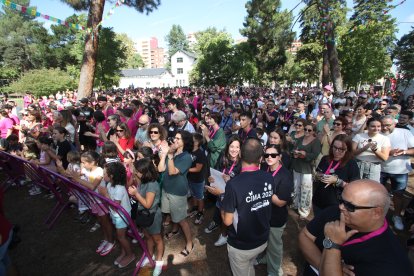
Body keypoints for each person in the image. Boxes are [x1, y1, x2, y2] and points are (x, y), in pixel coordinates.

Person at [300, 179, 413, 276]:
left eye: (350, 206)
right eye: (341, 200)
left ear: (376, 212)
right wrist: (325, 265)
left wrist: (332, 244)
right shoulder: (335, 212)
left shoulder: (390, 262)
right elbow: (304, 236)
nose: (341, 207)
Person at [221, 137, 273, 276]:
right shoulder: (269, 178)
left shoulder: (233, 185)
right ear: (261, 158)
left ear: (240, 155)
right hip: (262, 239)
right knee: (249, 267)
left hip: (241, 245)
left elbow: (227, 221)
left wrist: (222, 198)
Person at [258, 144, 293, 276]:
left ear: (280, 157)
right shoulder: (264, 168)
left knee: (274, 246)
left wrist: (266, 191)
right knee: (267, 241)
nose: (269, 157)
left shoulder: (285, 175)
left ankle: (274, 271)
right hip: (264, 214)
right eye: (267, 155)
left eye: (273, 155)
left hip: (276, 218)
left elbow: (280, 202)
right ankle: (267, 259)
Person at [158, 130, 194, 256]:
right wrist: (164, 154)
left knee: (181, 219)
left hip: (177, 192)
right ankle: (175, 230)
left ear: (185, 142)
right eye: (175, 138)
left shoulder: (187, 157)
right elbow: (161, 169)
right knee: (173, 215)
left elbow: (172, 172)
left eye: (179, 139)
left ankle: (190, 243)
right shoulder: (171, 152)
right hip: (167, 189)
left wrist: (170, 156)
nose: (175, 140)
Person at [128, 158, 164, 275]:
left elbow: (148, 204)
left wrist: (136, 194)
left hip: (152, 216)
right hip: (143, 215)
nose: (135, 173)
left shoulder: (152, 185)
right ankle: (149, 256)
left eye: (137, 171)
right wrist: (135, 195)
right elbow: (142, 199)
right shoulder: (142, 182)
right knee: (148, 237)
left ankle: (158, 262)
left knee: (157, 239)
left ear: (145, 172)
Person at [205, 135, 242, 247]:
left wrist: (231, 180)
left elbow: (244, 183)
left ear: (240, 149)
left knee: (230, 218)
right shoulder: (223, 156)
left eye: (237, 147)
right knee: (220, 210)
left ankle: (229, 235)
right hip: (220, 191)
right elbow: (216, 169)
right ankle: (223, 234)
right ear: (227, 147)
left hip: (233, 196)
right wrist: (212, 178)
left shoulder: (242, 163)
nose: (234, 150)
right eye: (232, 146)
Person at [380, 115, 414, 231]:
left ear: (394, 124)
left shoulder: (405, 133)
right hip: (380, 169)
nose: (384, 128)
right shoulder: (377, 132)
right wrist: (388, 152)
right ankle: (378, 216)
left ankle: (397, 216)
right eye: (383, 125)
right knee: (378, 194)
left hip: (400, 170)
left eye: (388, 125)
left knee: (398, 195)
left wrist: (404, 151)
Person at [99, 162, 135, 268]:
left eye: (105, 174)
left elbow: (115, 206)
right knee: (120, 236)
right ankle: (124, 252)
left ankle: (130, 255)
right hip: (115, 214)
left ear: (112, 176)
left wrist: (105, 194)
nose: (103, 176)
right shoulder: (110, 184)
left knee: (121, 237)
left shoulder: (119, 188)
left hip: (122, 215)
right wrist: (105, 194)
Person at [313, 135, 360, 215]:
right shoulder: (325, 159)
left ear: (347, 150)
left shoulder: (351, 164)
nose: (337, 151)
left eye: (341, 149)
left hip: (335, 204)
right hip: (318, 200)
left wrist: (337, 181)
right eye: (334, 147)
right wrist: (318, 176)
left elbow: (354, 188)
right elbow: (318, 173)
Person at [291, 122, 321, 219]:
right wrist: (295, 153)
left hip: (307, 169)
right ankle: (295, 205)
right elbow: (294, 149)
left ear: (313, 132)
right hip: (297, 166)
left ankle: (304, 211)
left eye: (309, 130)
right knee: (296, 187)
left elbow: (315, 155)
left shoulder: (316, 142)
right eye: (306, 129)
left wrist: (305, 154)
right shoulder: (300, 139)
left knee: (306, 190)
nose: (307, 131)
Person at [352, 117, 391, 182]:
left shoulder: (385, 139)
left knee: (372, 188)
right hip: (358, 165)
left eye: (378, 126)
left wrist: (375, 150)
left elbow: (384, 158)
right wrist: (364, 148)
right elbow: (352, 153)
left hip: (374, 167)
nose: (376, 128)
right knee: (356, 186)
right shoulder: (358, 136)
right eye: (373, 126)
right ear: (367, 126)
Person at [187, 133, 208, 225]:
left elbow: (198, 168)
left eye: (192, 139)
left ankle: (200, 213)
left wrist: (185, 169)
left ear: (197, 142)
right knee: (193, 195)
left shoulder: (200, 154)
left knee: (199, 197)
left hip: (198, 180)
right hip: (190, 178)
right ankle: (195, 209)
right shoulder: (189, 150)